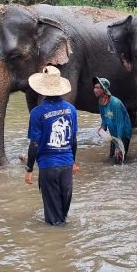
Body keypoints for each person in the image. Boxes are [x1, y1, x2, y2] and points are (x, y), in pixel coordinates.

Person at [24, 66, 80, 226]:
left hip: (48, 166)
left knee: (53, 217)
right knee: (63, 213)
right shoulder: (71, 110)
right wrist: (73, 162)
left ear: (41, 89)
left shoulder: (37, 112)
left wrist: (29, 169)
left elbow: (34, 144)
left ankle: (58, 245)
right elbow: (73, 140)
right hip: (66, 165)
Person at [92, 76, 132, 163]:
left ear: (104, 90)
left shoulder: (115, 103)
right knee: (111, 158)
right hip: (114, 134)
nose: (95, 90)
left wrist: (119, 147)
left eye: (97, 88)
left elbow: (120, 125)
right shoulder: (100, 102)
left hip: (123, 133)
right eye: (94, 87)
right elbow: (104, 118)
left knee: (119, 160)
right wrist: (102, 128)